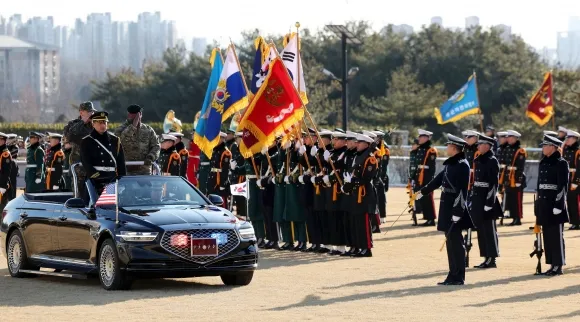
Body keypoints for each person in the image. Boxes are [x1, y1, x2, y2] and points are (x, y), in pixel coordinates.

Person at [415, 134, 474, 285]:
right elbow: (437, 180)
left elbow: (462, 191)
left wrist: (457, 212)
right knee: (450, 243)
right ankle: (452, 274)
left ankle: (458, 276)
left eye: (448, 145)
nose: (446, 147)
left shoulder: (462, 164)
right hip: (446, 205)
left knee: (456, 243)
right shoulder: (451, 163)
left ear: (454, 148)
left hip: (454, 208)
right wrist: (422, 192)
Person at [535, 134, 569, 276]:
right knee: (547, 236)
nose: (543, 148)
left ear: (553, 147)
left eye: (545, 146)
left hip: (555, 204)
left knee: (555, 235)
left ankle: (558, 265)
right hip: (544, 203)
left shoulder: (561, 163)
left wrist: (559, 205)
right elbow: (539, 185)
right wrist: (537, 204)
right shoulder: (543, 162)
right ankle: (551, 264)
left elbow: (562, 186)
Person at [340, 133, 378, 257]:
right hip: (356, 193)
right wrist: (348, 185)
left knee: (364, 223)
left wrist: (352, 182)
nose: (357, 144)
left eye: (359, 143)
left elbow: (366, 178)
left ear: (366, 144)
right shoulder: (359, 157)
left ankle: (366, 248)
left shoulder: (370, 159)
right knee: (356, 222)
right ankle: (356, 246)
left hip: (365, 194)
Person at [470, 134, 501, 268]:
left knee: (489, 230)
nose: (478, 146)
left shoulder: (492, 160)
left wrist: (489, 202)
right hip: (478, 198)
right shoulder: (479, 159)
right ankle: (485, 256)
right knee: (481, 230)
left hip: (487, 200)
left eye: (480, 144)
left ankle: (492, 258)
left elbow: (493, 184)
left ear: (487, 146)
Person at [80, 111, 127, 199]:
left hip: (111, 178)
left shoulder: (115, 140)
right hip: (95, 179)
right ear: (93, 124)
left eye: (104, 122)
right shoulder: (87, 141)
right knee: (93, 205)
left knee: (111, 204)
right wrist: (96, 176)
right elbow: (85, 161)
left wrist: (121, 179)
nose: (103, 125)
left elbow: (121, 162)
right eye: (99, 123)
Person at [114, 104, 160, 175]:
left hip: (145, 170)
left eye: (136, 116)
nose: (135, 119)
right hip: (127, 170)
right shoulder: (120, 129)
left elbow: (156, 146)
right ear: (128, 115)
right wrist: (133, 126)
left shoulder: (148, 130)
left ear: (140, 115)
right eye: (132, 116)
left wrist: (151, 157)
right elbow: (122, 140)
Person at [64, 101, 95, 197]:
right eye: (89, 112)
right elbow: (69, 139)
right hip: (79, 167)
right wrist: (83, 121)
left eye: (92, 112)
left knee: (94, 196)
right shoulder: (73, 125)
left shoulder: (95, 125)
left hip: (93, 167)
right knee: (79, 195)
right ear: (81, 113)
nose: (92, 114)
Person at [411, 129, 438, 226]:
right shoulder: (420, 149)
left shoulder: (431, 150)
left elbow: (431, 167)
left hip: (426, 176)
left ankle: (431, 219)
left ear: (426, 138)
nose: (419, 139)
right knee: (422, 198)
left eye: (421, 137)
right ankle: (427, 217)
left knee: (428, 198)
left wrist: (429, 180)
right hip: (419, 175)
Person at [501, 130, 526, 225]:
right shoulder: (507, 149)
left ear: (515, 138)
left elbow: (521, 166)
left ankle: (518, 218)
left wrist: (518, 179)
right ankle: (513, 216)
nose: (508, 139)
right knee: (510, 199)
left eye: (510, 137)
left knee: (517, 199)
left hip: (516, 178)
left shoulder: (520, 151)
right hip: (508, 177)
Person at [207, 132, 231, 204]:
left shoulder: (225, 152)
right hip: (213, 178)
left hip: (219, 180)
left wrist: (223, 184)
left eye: (218, 138)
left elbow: (225, 169)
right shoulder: (215, 150)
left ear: (222, 139)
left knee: (221, 201)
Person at [562, 130, 580, 230]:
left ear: (574, 139)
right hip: (568, 178)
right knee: (569, 201)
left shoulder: (578, 151)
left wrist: (576, 182)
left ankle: (577, 222)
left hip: (575, 179)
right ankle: (573, 221)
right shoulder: (567, 150)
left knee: (575, 202)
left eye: (569, 138)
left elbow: (579, 168)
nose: (567, 140)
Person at [373, 130, 390, 224]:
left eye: (378, 138)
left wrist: (382, 177)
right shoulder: (372, 148)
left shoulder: (384, 150)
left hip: (381, 175)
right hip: (375, 175)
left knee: (381, 196)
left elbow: (384, 166)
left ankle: (382, 215)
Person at [228, 131, 247, 218]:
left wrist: (236, 168)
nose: (237, 140)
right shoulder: (237, 148)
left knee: (242, 199)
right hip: (236, 176)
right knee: (237, 199)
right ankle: (240, 216)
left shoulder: (244, 149)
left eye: (238, 138)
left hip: (242, 178)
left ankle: (243, 216)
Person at [0, 133, 13, 213]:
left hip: (1, 184)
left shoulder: (5, 154)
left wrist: (3, 185)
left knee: (1, 207)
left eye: (0, 140)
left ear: (4, 141)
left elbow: (6, 171)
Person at [6, 134, 19, 201]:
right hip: (7, 166)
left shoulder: (15, 147)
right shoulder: (7, 146)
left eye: (10, 139)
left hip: (13, 166)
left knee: (12, 184)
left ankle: (12, 199)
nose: (8, 140)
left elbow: (10, 155)